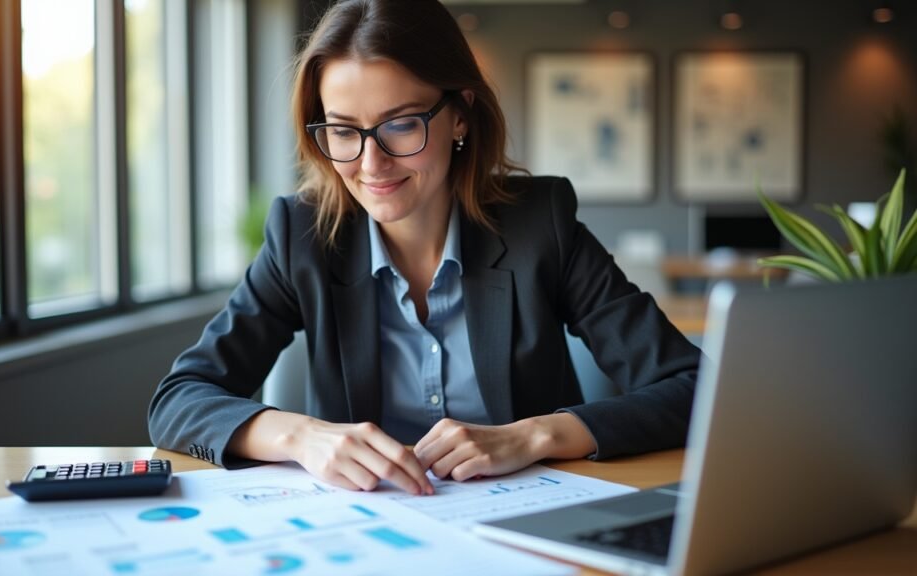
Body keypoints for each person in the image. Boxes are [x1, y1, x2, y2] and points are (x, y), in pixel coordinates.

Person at [148, 0, 700, 497]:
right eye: (343, 131)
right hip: (367, 533)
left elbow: (694, 388)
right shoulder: (302, 236)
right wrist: (301, 435)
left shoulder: (540, 225)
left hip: (526, 523)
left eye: (401, 125)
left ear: (459, 115)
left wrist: (535, 435)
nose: (371, 165)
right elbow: (178, 400)